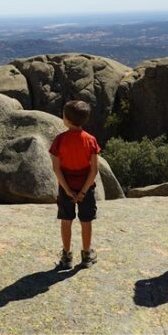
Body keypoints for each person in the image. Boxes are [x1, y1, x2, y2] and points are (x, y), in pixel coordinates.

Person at [49, 100, 100, 269]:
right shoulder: (91, 140)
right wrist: (83, 191)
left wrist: (68, 190)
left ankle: (66, 256)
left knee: (66, 220)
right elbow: (94, 170)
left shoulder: (59, 140)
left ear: (66, 120)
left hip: (66, 187)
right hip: (86, 187)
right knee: (86, 221)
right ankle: (86, 255)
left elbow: (56, 169)